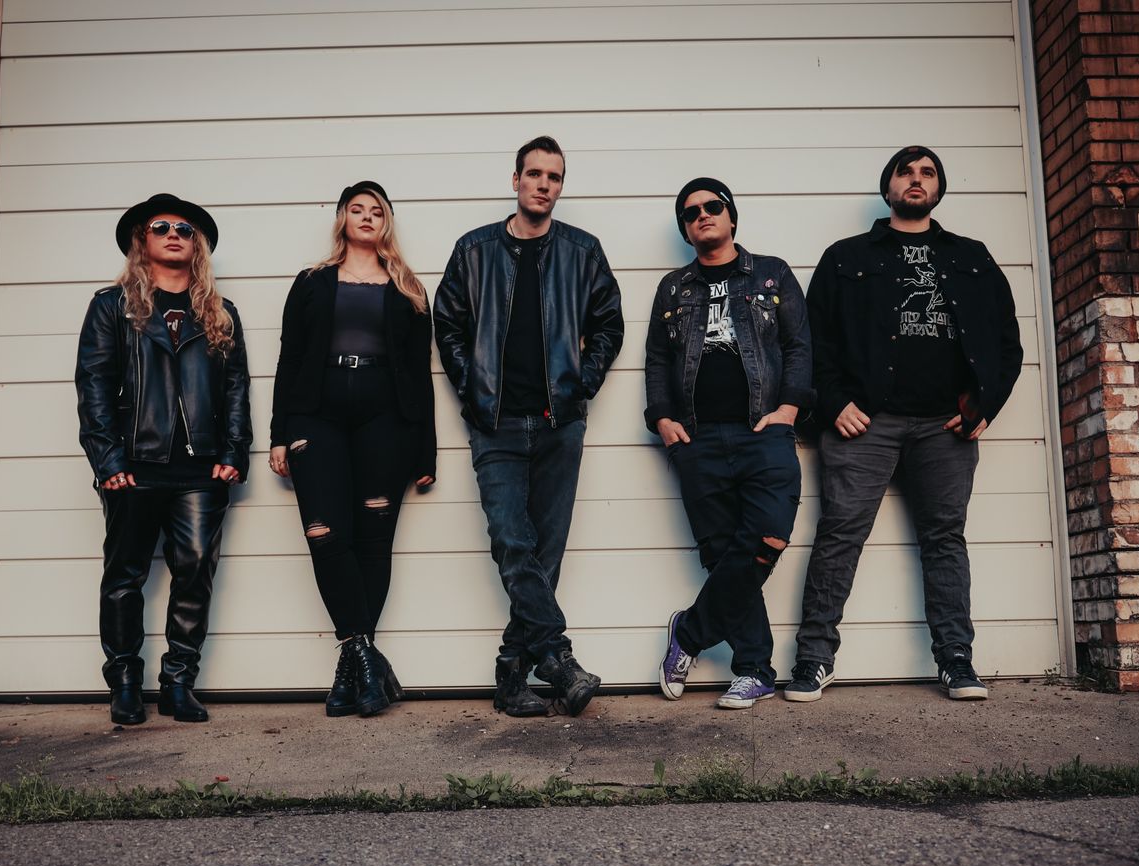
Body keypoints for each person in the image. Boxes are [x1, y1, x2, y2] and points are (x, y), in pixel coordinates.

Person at [788, 146, 1023, 703]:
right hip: (866, 423)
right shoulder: (845, 256)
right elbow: (811, 341)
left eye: (927, 172)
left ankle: (956, 660)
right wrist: (833, 403)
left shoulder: (972, 256)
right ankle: (813, 659)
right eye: (906, 172)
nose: (916, 180)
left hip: (945, 427)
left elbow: (1006, 342)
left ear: (938, 188)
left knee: (945, 540)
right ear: (888, 186)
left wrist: (985, 405)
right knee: (840, 534)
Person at [433, 136, 625, 717]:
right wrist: (472, 388)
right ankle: (558, 658)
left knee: (546, 552)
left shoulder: (582, 251)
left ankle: (511, 673)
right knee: (512, 541)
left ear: (561, 186)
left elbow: (610, 325)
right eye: (535, 174)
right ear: (515, 179)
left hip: (558, 423)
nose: (544, 184)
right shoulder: (473, 250)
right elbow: (448, 325)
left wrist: (580, 385)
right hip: (496, 423)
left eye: (554, 176)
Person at [75, 193, 251, 725]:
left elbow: (237, 388)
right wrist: (107, 460)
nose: (175, 234)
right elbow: (94, 385)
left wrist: (233, 450)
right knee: (124, 577)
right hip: (133, 467)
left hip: (200, 470)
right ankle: (125, 683)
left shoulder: (219, 313)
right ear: (142, 240)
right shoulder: (112, 306)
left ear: (197, 246)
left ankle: (178, 683)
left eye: (185, 229)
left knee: (195, 572)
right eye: (161, 226)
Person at [268, 181, 435, 718]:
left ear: (386, 223)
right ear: (342, 219)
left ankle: (352, 671)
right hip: (315, 415)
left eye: (376, 211)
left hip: (387, 419)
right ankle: (367, 661)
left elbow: (420, 374)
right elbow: (290, 357)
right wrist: (277, 433)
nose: (366, 217)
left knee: (373, 539)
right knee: (325, 533)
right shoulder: (311, 282)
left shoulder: (408, 286)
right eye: (356, 209)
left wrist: (426, 451)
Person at [647, 178, 812, 709]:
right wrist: (662, 418)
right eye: (691, 212)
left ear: (731, 216)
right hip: (698, 437)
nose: (703, 215)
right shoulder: (674, 288)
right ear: (685, 229)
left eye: (713, 206)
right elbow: (657, 359)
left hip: (763, 431)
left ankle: (688, 633)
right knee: (723, 554)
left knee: (768, 537)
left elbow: (798, 345)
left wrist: (790, 409)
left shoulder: (771, 273)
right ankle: (754, 670)